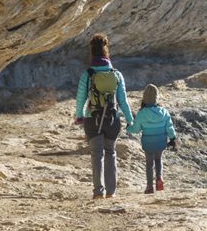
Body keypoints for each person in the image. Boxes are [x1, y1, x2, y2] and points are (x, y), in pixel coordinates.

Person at [74, 33, 135, 199]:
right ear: (106, 51)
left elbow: (80, 98)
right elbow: (123, 100)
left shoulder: (87, 74)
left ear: (92, 52)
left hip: (92, 118)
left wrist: (79, 116)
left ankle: (98, 191)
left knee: (96, 154)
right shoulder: (116, 74)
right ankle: (111, 192)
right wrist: (130, 120)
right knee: (110, 152)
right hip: (112, 119)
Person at [129, 83, 178, 194]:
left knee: (149, 164)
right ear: (157, 97)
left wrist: (128, 128)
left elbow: (136, 129)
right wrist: (173, 138)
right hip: (161, 142)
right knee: (158, 160)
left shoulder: (142, 113)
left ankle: (149, 186)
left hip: (148, 142)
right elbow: (169, 127)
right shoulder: (164, 112)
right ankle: (159, 178)